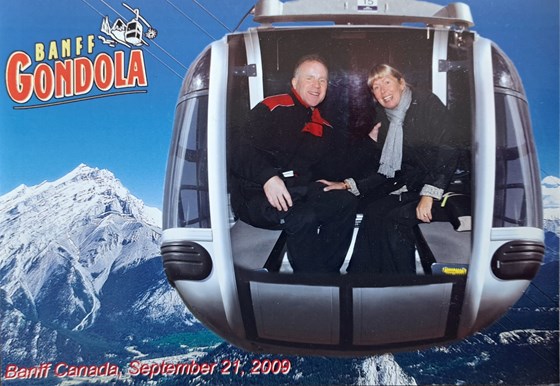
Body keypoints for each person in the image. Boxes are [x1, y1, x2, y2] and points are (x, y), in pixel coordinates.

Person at [319, 63, 458, 274]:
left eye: (386, 82)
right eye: (376, 86)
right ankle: (363, 280)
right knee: (374, 211)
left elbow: (448, 150)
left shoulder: (427, 104)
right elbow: (386, 173)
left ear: (401, 84)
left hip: (441, 187)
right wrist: (348, 185)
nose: (382, 90)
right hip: (410, 187)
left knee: (395, 219)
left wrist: (429, 195)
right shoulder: (387, 122)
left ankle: (404, 286)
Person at [230, 54, 357, 273]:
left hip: (296, 192)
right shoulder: (272, 107)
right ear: (294, 83)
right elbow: (238, 149)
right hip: (256, 194)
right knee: (302, 216)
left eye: (322, 80)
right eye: (310, 78)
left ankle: (328, 274)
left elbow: (337, 163)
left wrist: (371, 145)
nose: (316, 85)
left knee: (344, 202)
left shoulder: (323, 124)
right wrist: (268, 177)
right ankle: (312, 285)